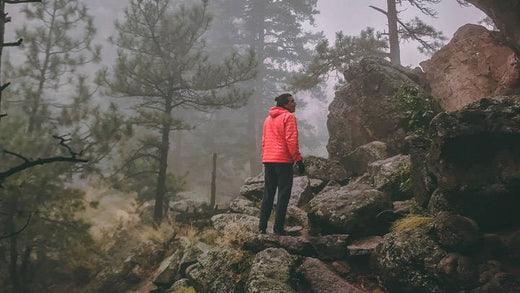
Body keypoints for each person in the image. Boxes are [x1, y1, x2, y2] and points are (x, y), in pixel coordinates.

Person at [258, 93, 305, 235]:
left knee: (268, 194)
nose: (294, 103)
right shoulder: (289, 117)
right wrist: (298, 159)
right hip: (283, 161)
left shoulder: (267, 119)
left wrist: (265, 156)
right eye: (291, 102)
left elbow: (264, 141)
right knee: (283, 194)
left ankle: (262, 228)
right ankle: (278, 229)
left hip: (268, 160)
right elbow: (291, 140)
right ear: (284, 104)